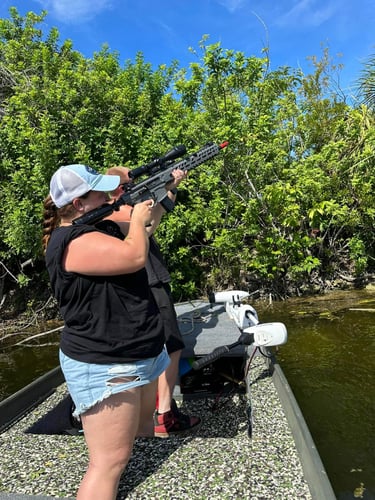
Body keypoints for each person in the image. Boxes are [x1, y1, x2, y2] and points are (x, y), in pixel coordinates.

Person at [42, 163, 170, 500]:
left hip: (139, 351)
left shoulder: (99, 224)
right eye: (100, 191)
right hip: (107, 363)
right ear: (79, 204)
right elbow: (134, 255)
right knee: (108, 462)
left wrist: (164, 194)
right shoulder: (72, 242)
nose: (109, 196)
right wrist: (138, 218)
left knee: (141, 435)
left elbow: (148, 228)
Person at [105, 165, 201, 438]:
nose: (134, 182)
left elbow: (153, 221)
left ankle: (152, 413)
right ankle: (164, 415)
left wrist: (170, 189)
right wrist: (165, 191)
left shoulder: (112, 210)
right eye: (129, 181)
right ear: (118, 188)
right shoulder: (118, 210)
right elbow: (147, 229)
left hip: (140, 281)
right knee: (171, 345)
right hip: (148, 280)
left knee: (155, 348)